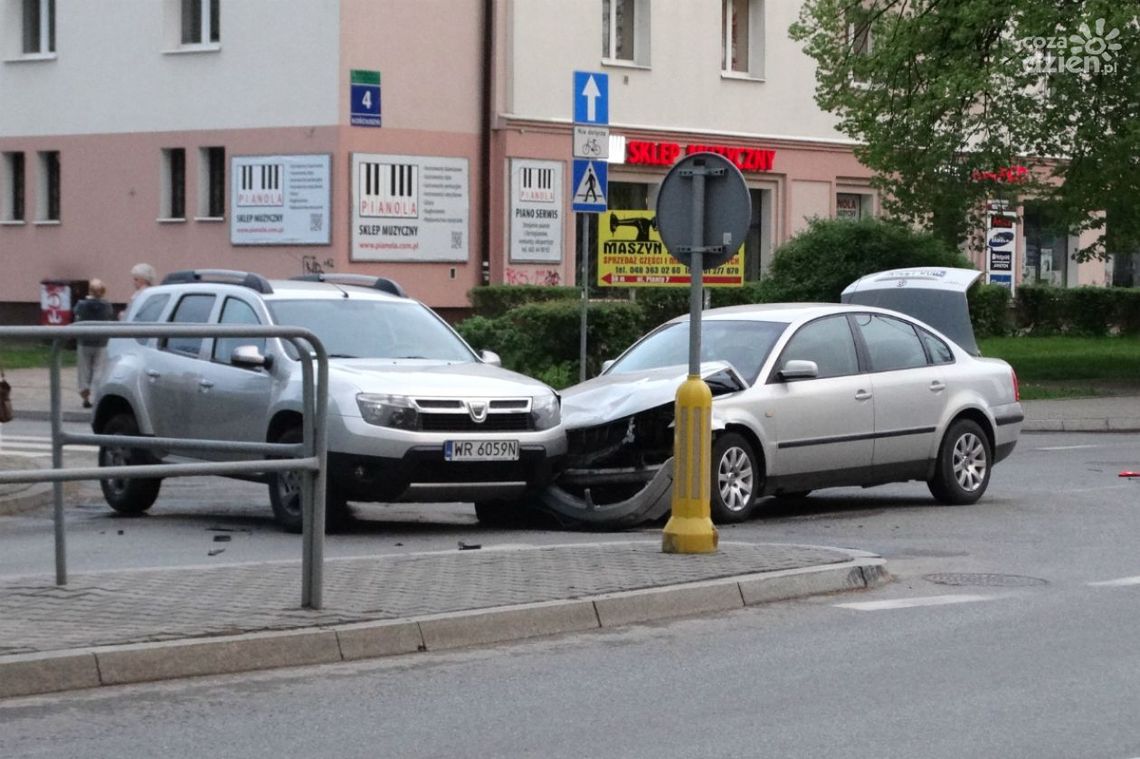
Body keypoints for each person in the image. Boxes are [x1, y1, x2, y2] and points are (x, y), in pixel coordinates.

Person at [73, 279, 116, 409]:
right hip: (101, 341)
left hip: (84, 341)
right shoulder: (107, 306)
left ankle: (85, 394)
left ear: (90, 291)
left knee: (84, 369)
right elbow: (110, 314)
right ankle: (96, 395)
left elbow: (75, 311)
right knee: (99, 369)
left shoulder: (82, 304)